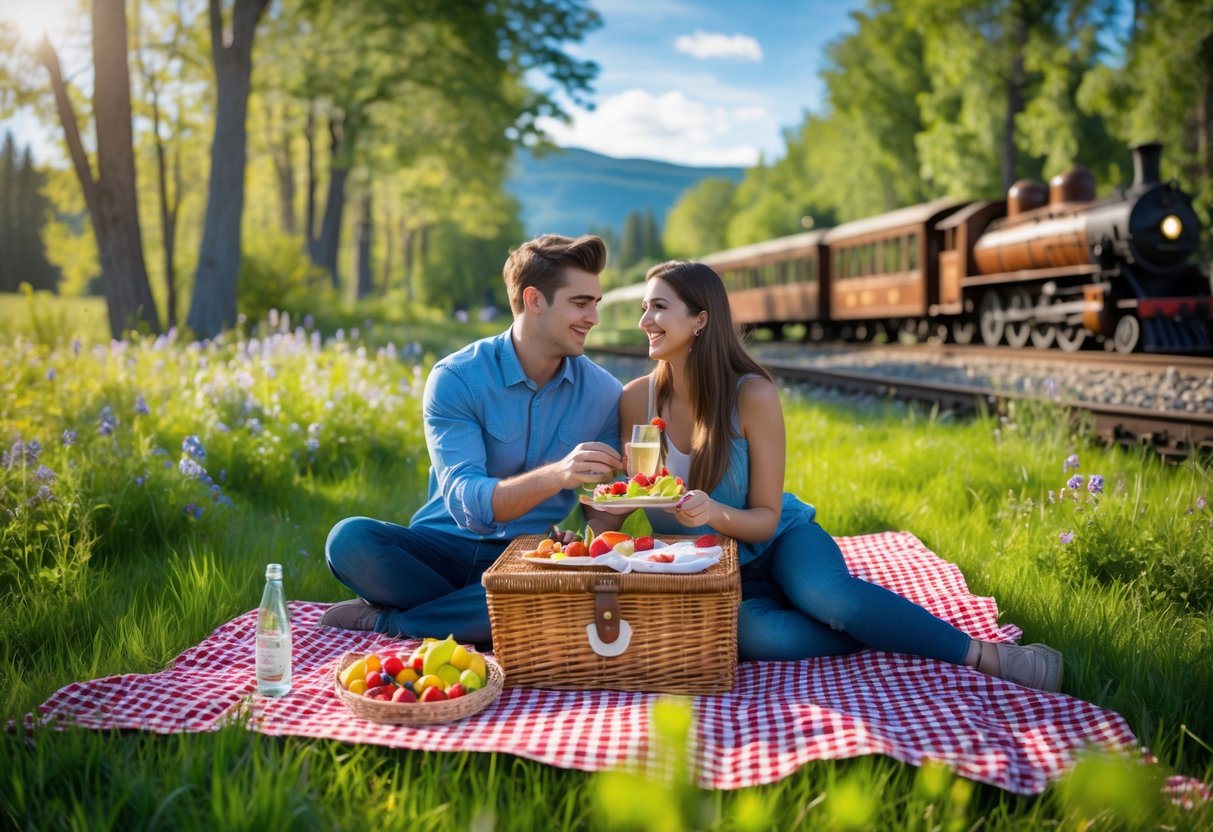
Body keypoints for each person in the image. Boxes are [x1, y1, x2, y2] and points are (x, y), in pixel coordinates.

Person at [615, 260, 1064, 692]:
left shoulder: (751, 394)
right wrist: (596, 515)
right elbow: (629, 498)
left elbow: (767, 518)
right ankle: (881, 626)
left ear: (700, 319)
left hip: (778, 542)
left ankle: (987, 655)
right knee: (752, 637)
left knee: (827, 594)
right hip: (707, 568)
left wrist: (713, 511)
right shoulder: (638, 401)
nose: (645, 321)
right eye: (643, 309)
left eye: (658, 307)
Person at [321, 234, 624, 644]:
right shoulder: (458, 377)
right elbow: (469, 503)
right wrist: (556, 476)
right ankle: (489, 616)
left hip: (524, 556)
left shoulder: (604, 393)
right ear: (534, 300)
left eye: (595, 303)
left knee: (569, 589)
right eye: (580, 303)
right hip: (438, 550)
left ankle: (393, 623)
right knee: (349, 540)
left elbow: (599, 515)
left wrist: (616, 504)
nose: (593, 317)